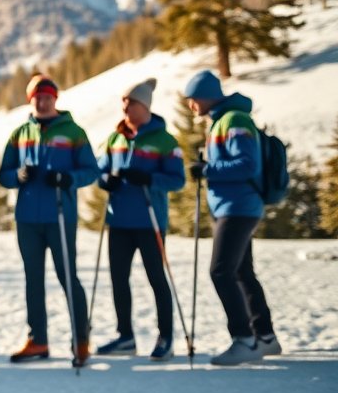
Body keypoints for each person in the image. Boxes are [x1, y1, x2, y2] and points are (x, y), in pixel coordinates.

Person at [0, 74, 98, 365]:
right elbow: (3, 174)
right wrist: (17, 177)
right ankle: (38, 340)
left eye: (47, 97)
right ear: (31, 100)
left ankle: (81, 339)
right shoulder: (20, 134)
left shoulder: (73, 132)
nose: (42, 102)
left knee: (68, 277)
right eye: (36, 97)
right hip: (27, 218)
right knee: (33, 280)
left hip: (60, 215)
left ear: (55, 98)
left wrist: (68, 178)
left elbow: (90, 170)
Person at [184, 70, 281, 366]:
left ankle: (244, 339)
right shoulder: (223, 120)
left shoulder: (233, 120)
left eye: (192, 99)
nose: (191, 106)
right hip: (235, 205)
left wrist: (208, 170)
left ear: (205, 96)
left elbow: (247, 164)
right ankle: (265, 337)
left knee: (221, 271)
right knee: (241, 271)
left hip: (238, 206)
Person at [93, 78, 186, 361]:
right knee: (119, 278)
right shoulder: (115, 138)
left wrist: (149, 179)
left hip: (149, 221)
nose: (125, 107)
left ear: (144, 106)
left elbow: (177, 180)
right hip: (118, 220)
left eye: (130, 102)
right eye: (123, 101)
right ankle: (125, 336)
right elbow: (99, 169)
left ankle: (166, 336)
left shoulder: (165, 141)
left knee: (156, 278)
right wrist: (105, 180)